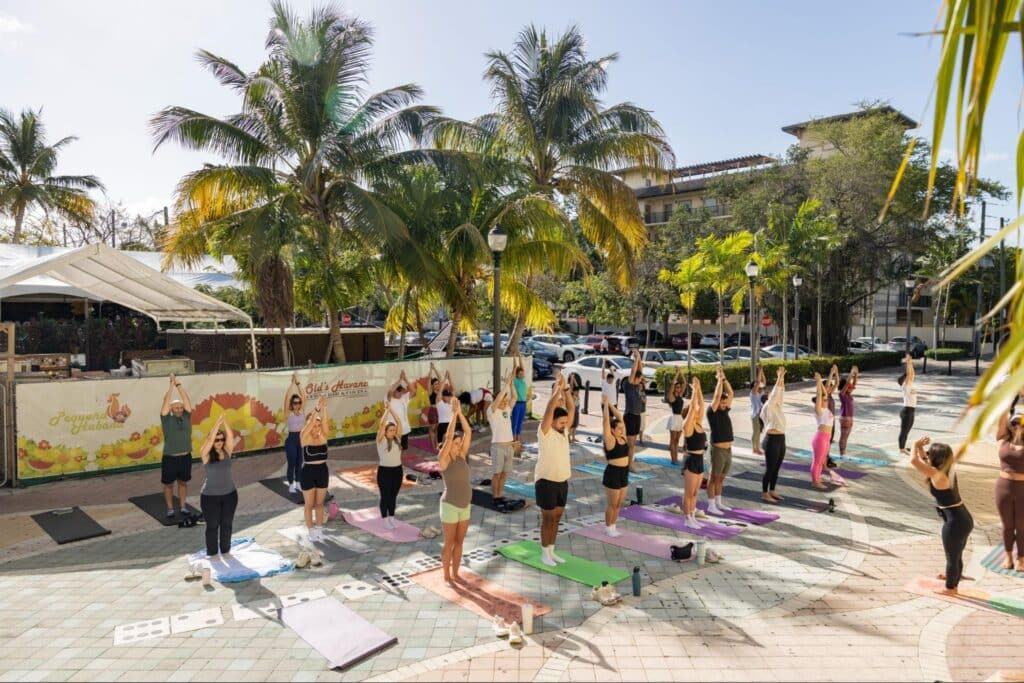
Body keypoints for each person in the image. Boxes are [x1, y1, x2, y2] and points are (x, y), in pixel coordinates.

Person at [910, 435, 974, 595]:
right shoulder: (946, 470)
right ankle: (953, 579)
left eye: (930, 454)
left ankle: (950, 588)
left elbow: (914, 461)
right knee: (956, 554)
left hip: (955, 522)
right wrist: (920, 449)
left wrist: (913, 443)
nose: (927, 456)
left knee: (952, 557)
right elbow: (924, 460)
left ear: (936, 458)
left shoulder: (937, 474)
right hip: (963, 518)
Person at [535, 371, 573, 567]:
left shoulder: (563, 432)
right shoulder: (545, 432)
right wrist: (556, 391)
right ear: (553, 422)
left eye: (565, 422)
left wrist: (566, 390)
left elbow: (571, 408)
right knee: (548, 519)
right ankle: (544, 553)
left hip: (562, 482)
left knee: (557, 519)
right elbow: (550, 411)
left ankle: (551, 550)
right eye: (562, 421)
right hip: (546, 482)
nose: (565, 424)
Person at [439, 402, 473, 584]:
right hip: (450, 505)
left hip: (465, 505)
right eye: (456, 443)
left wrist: (460, 414)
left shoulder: (461, 455)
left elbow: (468, 432)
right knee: (449, 542)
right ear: (448, 444)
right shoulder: (443, 459)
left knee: (460, 542)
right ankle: (446, 576)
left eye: (460, 443)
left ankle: (456, 573)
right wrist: (453, 416)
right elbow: (449, 437)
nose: (459, 446)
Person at [199, 414, 237, 558]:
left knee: (227, 524)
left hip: (230, 495)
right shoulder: (206, 454)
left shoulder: (227, 451)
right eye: (216, 440)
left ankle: (226, 551)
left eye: (221, 439)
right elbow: (209, 439)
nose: (219, 442)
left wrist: (225, 421)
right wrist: (216, 424)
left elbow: (231, 436)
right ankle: (213, 553)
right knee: (213, 525)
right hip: (210, 497)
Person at [160, 374, 194, 519]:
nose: (180, 409)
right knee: (168, 485)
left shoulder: (186, 417)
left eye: (181, 407)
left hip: (185, 457)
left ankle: (183, 506)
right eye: (176, 407)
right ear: (172, 410)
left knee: (183, 483)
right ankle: (170, 509)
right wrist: (170, 386)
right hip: (170, 458)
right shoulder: (166, 419)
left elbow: (186, 401)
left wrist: (178, 385)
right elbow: (166, 403)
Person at [995, 405, 1024, 571]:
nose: (1016, 426)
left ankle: (1021, 558)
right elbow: (1001, 419)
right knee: (1007, 525)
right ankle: (1008, 556)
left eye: (1020, 423)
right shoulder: (1004, 436)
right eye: (1014, 423)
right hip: (1003, 487)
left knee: (1021, 526)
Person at [300, 397, 330, 542]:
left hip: (322, 471)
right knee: (309, 504)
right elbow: (311, 423)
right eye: (314, 425)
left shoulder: (323, 437)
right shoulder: (304, 438)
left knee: (319, 504)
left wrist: (324, 409)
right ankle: (310, 531)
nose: (316, 428)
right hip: (308, 473)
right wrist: (316, 410)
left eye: (318, 426)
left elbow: (325, 424)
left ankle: (319, 529)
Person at [706, 366, 735, 515]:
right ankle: (711, 505)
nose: (724, 405)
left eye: (725, 403)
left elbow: (730, 393)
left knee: (721, 478)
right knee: (714, 477)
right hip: (717, 449)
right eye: (722, 403)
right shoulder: (712, 411)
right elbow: (717, 397)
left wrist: (724, 379)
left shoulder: (725, 410)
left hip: (728, 449)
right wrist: (718, 380)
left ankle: (718, 502)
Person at [601, 396, 630, 537]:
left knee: (619, 503)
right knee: (612, 504)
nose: (621, 430)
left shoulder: (622, 437)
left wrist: (610, 403)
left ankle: (613, 525)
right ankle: (608, 528)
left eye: (621, 428)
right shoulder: (610, 440)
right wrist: (605, 405)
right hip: (613, 473)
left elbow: (618, 415)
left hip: (624, 472)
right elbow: (606, 421)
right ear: (612, 430)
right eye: (618, 428)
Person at [680, 376, 707, 529]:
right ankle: (687, 517)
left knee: (696, 492)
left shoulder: (698, 424)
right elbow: (692, 411)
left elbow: (701, 406)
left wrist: (699, 389)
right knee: (689, 492)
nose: (697, 411)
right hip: (690, 460)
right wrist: (694, 393)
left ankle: (692, 515)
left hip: (700, 459)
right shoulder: (688, 426)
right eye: (694, 410)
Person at [760, 366, 787, 503]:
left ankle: (772, 490)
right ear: (767, 399)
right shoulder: (767, 407)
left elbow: (780, 392)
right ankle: (765, 493)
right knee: (770, 468)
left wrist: (782, 378)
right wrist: (778, 378)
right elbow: (776, 393)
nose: (775, 397)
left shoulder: (777, 406)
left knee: (776, 468)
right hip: (771, 440)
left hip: (781, 438)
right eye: (771, 396)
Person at [376, 403, 404, 528]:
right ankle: (384, 519)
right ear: (385, 432)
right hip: (384, 472)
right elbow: (382, 425)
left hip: (397, 470)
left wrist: (391, 409)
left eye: (394, 430)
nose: (393, 432)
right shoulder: (380, 440)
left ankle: (392, 517)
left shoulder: (397, 439)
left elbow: (398, 421)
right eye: (390, 430)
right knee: (385, 496)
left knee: (393, 495)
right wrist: (386, 411)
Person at [489, 373, 516, 504]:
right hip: (498, 447)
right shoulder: (492, 411)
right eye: (503, 401)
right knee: (497, 474)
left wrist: (511, 385)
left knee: (505, 474)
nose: (505, 402)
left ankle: (500, 494)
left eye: (506, 400)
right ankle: (495, 496)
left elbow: (515, 397)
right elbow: (499, 399)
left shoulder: (507, 410)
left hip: (509, 447)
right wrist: (506, 386)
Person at [810, 371, 835, 491]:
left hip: (826, 438)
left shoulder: (827, 410)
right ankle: (815, 481)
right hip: (820, 438)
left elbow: (824, 393)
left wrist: (821, 382)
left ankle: (818, 478)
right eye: (824, 399)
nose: (826, 399)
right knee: (817, 460)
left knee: (821, 461)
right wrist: (818, 382)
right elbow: (820, 394)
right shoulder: (819, 410)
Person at [622, 350, 646, 471]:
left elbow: (639, 371)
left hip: (637, 416)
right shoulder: (629, 384)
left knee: (632, 444)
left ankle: (628, 462)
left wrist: (640, 357)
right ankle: (628, 464)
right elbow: (634, 371)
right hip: (630, 416)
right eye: (639, 378)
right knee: (630, 444)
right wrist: (636, 359)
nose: (640, 380)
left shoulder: (637, 386)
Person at [283, 373, 306, 494]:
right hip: (291, 439)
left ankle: (298, 483)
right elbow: (287, 397)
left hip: (301, 438)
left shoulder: (302, 411)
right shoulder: (288, 413)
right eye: (295, 402)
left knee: (300, 462)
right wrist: (292, 384)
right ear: (292, 404)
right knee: (292, 462)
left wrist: (298, 383)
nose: (297, 404)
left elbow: (304, 396)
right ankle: (291, 484)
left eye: (298, 402)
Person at [664, 367, 686, 465]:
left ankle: (676, 458)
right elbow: (672, 384)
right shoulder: (671, 397)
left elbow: (685, 383)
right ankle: (674, 460)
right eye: (677, 387)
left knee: (677, 441)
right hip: (674, 418)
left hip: (680, 419)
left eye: (679, 387)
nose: (679, 388)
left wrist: (680, 372)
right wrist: (676, 375)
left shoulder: (680, 395)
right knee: (673, 441)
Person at [837, 366, 860, 457]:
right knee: (843, 436)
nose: (851, 388)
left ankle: (844, 453)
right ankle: (842, 453)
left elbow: (853, 384)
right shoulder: (842, 394)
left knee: (846, 437)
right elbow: (847, 385)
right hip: (845, 418)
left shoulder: (848, 394)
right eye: (849, 387)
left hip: (850, 418)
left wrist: (856, 375)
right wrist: (851, 373)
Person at [388, 371, 412, 451]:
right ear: (395, 391)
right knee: (393, 449)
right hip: (393, 430)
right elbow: (390, 391)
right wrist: (400, 379)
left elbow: (414, 391)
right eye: (399, 391)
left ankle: (401, 462)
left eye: (401, 391)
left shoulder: (404, 398)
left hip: (405, 429)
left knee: (403, 449)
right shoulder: (388, 399)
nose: (401, 393)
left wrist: (405, 379)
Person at [897, 354, 917, 455]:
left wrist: (911, 362)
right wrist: (908, 363)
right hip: (907, 411)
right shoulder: (905, 385)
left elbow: (912, 374)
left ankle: (903, 447)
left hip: (911, 411)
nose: (911, 377)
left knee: (907, 431)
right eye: (908, 377)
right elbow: (909, 374)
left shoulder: (910, 384)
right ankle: (901, 449)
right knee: (904, 431)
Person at [824, 364, 840, 470]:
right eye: (829, 386)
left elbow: (837, 383)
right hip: (825, 424)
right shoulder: (824, 396)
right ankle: (824, 460)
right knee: (825, 442)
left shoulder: (830, 395)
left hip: (832, 422)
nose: (831, 387)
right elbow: (826, 386)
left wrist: (836, 372)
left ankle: (826, 458)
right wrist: (831, 373)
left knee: (829, 442)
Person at [511, 356, 529, 445]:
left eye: (522, 374)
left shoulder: (522, 380)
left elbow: (522, 367)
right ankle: (513, 440)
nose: (522, 375)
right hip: (517, 404)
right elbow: (515, 367)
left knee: (520, 423)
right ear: (517, 374)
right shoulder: (515, 381)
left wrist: (520, 356)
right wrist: (514, 357)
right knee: (514, 422)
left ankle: (518, 439)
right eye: (520, 374)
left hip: (523, 404)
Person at [750, 365, 766, 455]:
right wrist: (759, 371)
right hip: (755, 415)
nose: (761, 388)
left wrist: (762, 371)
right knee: (756, 432)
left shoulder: (761, 392)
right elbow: (759, 382)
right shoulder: (753, 393)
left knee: (759, 431)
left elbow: (763, 381)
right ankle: (754, 448)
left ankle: (757, 448)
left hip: (761, 415)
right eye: (759, 387)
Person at [427, 363, 442, 451]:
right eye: (435, 384)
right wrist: (431, 369)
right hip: (432, 411)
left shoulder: (439, 391)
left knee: (437, 429)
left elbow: (440, 378)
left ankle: (436, 444)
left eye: (437, 384)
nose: (437, 385)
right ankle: (433, 446)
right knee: (432, 428)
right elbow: (429, 379)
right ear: (432, 386)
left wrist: (435, 368)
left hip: (439, 411)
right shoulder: (430, 392)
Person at [437, 372, 455, 442]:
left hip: (451, 425)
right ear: (443, 397)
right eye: (447, 396)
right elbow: (440, 392)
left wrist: (449, 379)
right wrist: (444, 379)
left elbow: (453, 390)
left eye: (449, 396)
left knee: (451, 443)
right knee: (441, 444)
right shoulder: (440, 403)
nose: (449, 397)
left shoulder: (451, 403)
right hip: (442, 425)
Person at [569, 377, 581, 443]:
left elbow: (577, 386)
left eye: (577, 391)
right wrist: (572, 379)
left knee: (575, 425)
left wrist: (574, 379)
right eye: (576, 391)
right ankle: (569, 438)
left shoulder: (578, 396)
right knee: (570, 426)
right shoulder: (571, 396)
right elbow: (571, 386)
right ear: (573, 391)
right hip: (572, 413)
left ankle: (573, 438)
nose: (577, 392)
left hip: (577, 413)